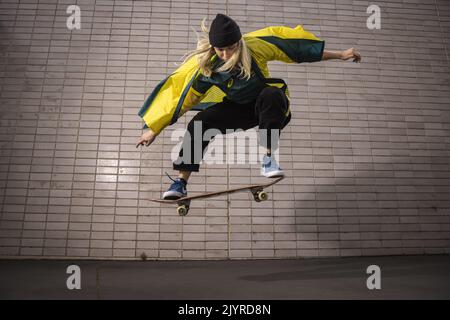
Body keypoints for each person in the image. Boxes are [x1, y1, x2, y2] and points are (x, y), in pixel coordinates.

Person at [137, 14, 361, 200]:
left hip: (267, 106)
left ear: (239, 42)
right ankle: (180, 183)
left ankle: (267, 158)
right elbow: (183, 101)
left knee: (272, 93)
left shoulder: (256, 47)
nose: (226, 54)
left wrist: (340, 55)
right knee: (200, 123)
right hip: (238, 109)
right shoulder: (208, 67)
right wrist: (154, 129)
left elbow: (297, 51)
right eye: (220, 50)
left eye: (231, 48)